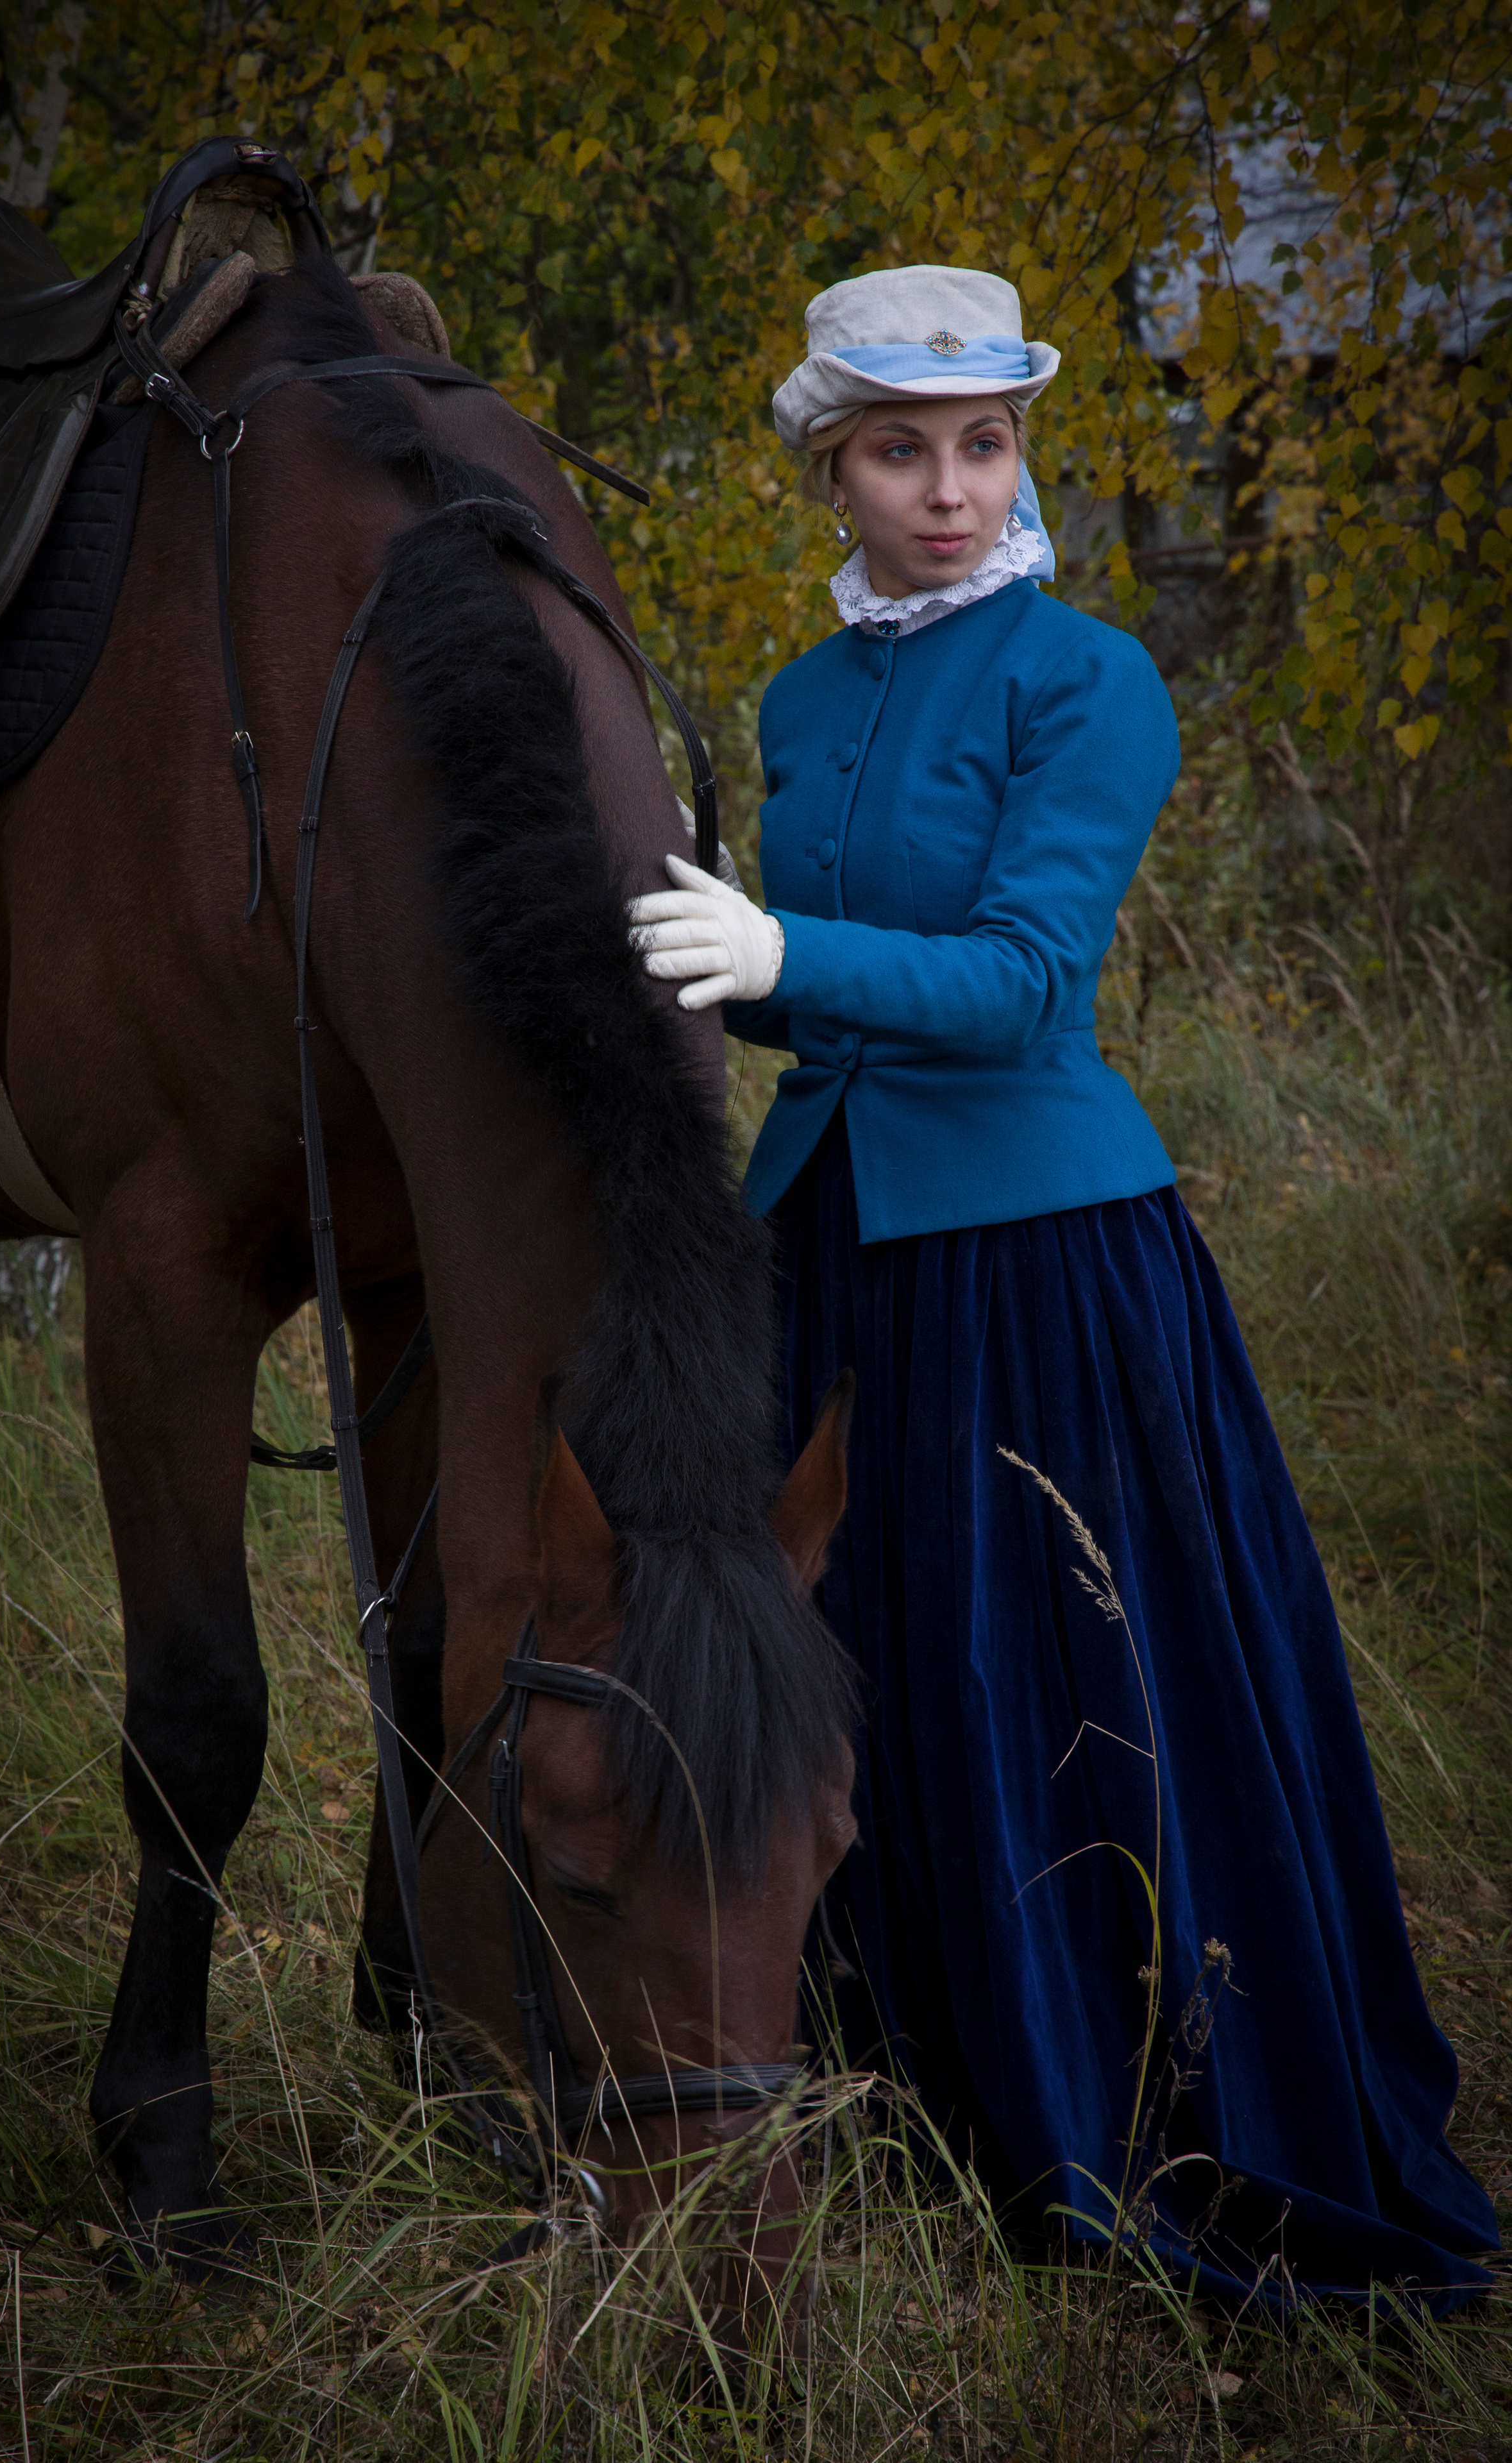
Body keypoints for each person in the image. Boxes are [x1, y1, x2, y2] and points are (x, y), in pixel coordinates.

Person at [626, 266, 1499, 2311]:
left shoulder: (1089, 679)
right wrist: (696, 942)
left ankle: (1120, 2131)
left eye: (986, 442)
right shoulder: (799, 696)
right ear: (829, 469)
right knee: (861, 1691)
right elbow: (816, 1016)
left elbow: (1018, 988)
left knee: (1062, 1692)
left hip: (1038, 1258)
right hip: (831, 1258)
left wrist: (777, 956)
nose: (950, 488)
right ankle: (882, 2102)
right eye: (902, 449)